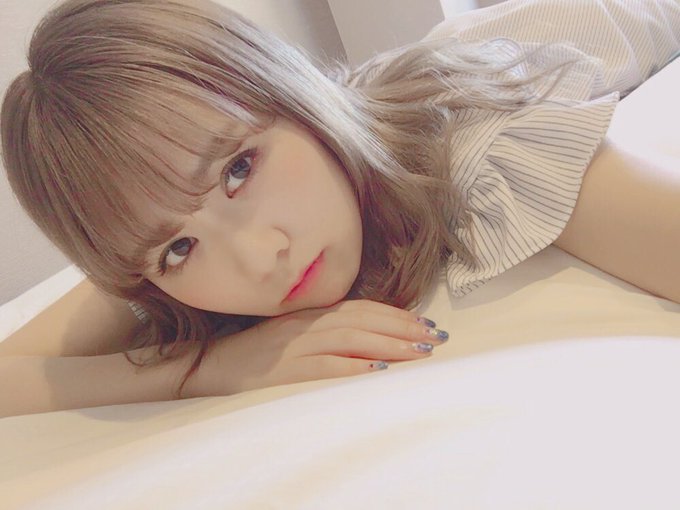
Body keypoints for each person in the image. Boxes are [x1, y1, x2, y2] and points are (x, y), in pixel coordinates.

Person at [0, 0, 678, 418]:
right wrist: (212, 369)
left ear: (296, 97)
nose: (260, 258)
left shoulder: (472, 145)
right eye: (179, 248)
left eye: (239, 170)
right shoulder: (168, 242)